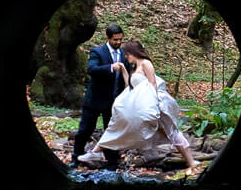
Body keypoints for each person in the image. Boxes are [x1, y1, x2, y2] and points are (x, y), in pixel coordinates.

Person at [77, 40, 196, 170]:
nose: (126, 57)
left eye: (127, 55)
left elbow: (152, 84)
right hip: (142, 105)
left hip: (154, 104)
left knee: (172, 132)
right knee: (118, 125)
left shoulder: (146, 63)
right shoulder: (135, 68)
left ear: (133, 53)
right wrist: (123, 69)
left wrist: (154, 105)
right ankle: (96, 152)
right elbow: (130, 86)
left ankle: (191, 162)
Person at [72, 24, 127, 168]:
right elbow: (92, 69)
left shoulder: (123, 54)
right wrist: (110, 67)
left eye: (120, 39)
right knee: (85, 130)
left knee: (112, 131)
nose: (118, 42)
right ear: (108, 38)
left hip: (113, 101)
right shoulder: (98, 52)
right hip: (95, 100)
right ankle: (76, 157)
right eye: (115, 40)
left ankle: (112, 161)